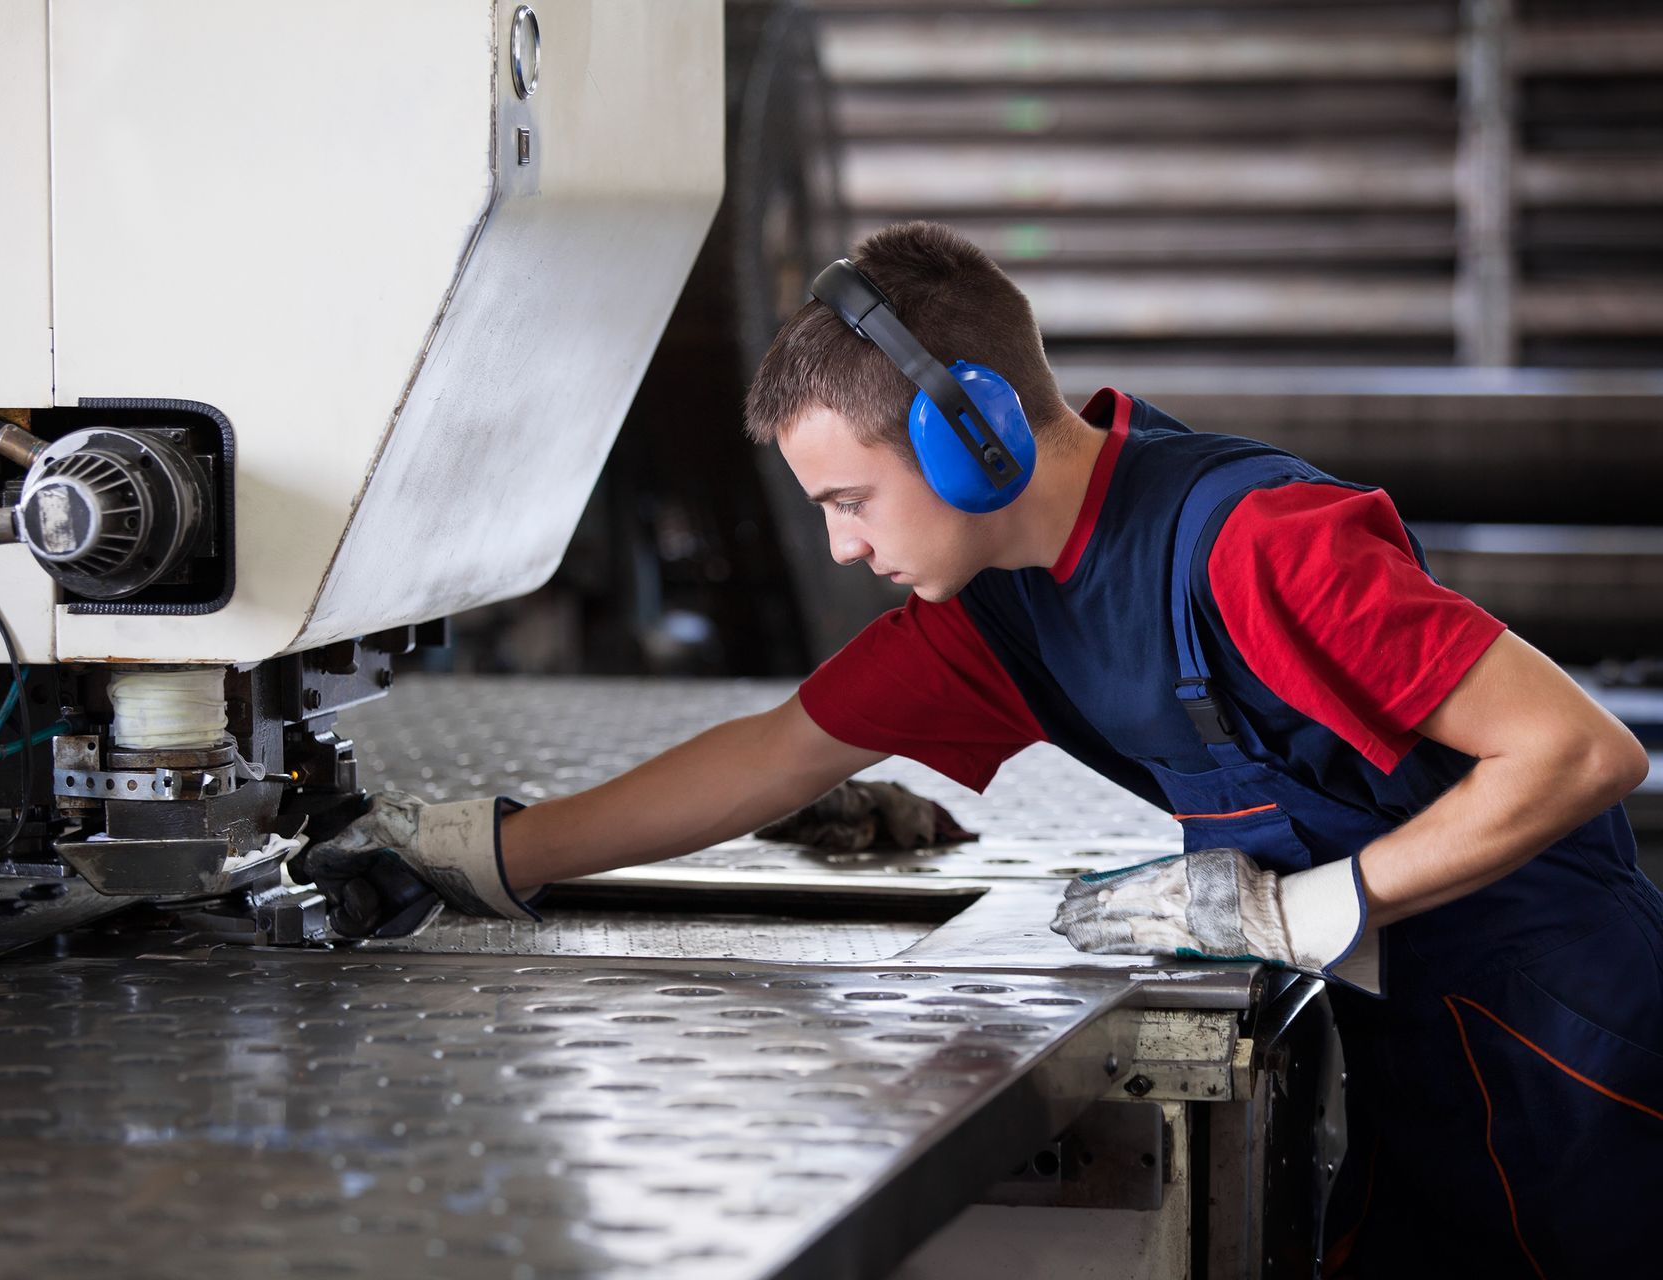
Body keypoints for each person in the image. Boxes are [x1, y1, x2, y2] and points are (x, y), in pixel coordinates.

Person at [300, 221, 1660, 1274]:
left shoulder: (1260, 544)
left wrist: (1305, 905)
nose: (841, 542)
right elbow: (776, 754)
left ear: (972, 437)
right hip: (1401, 1052)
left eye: (849, 498)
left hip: (1564, 1051)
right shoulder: (999, 616)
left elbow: (1580, 753)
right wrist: (486, 852)